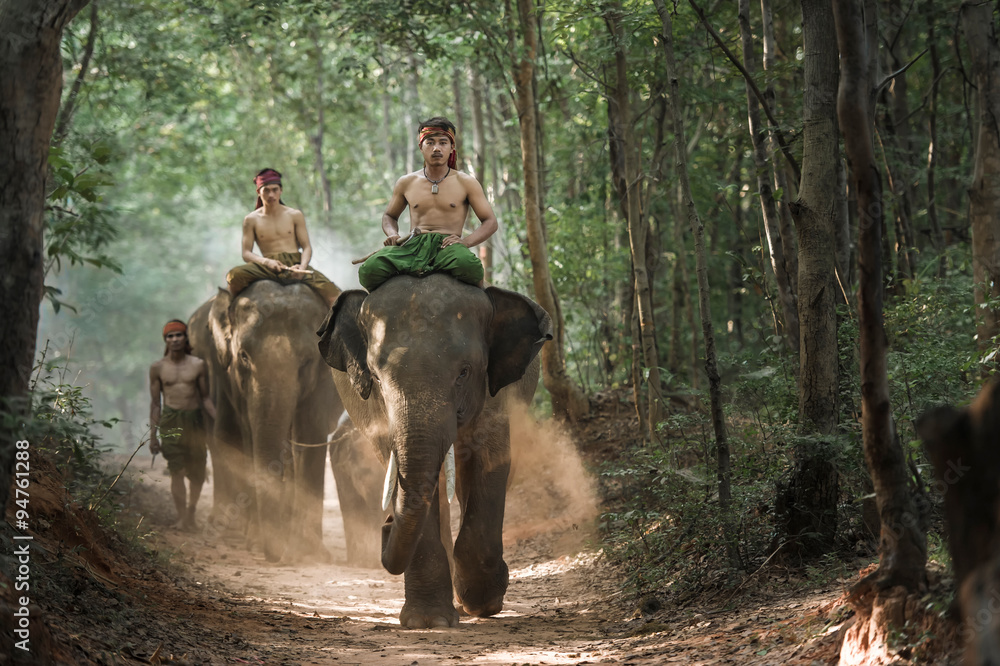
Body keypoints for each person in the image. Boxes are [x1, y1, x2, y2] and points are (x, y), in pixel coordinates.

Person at [358, 117, 498, 291]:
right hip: (412, 246)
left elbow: (490, 221)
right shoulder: (406, 182)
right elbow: (389, 216)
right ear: (421, 147)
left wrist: (465, 242)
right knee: (369, 270)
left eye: (443, 142)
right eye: (430, 142)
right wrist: (392, 234)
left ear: (452, 147)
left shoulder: (466, 182)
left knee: (471, 267)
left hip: (448, 248)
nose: (436, 148)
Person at [226, 168, 340, 306]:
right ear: (258, 192)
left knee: (334, 294)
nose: (271, 194)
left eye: (275, 190)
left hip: (295, 263)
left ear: (281, 190)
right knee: (234, 275)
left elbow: (306, 247)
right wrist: (266, 262)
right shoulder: (251, 220)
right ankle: (228, 310)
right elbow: (246, 253)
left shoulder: (294, 215)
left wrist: (302, 267)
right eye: (266, 190)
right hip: (266, 266)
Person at [149, 320, 217, 531]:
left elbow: (205, 398)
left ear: (186, 338)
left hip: (194, 421)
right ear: (165, 340)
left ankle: (191, 513)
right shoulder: (157, 368)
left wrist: (218, 422)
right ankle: (181, 518)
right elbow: (155, 403)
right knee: (176, 470)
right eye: (170, 336)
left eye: (179, 335)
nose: (175, 339)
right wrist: (153, 436)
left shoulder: (198, 365)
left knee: (197, 472)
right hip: (170, 421)